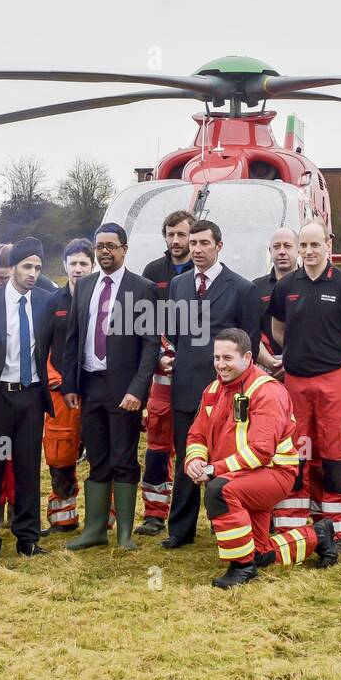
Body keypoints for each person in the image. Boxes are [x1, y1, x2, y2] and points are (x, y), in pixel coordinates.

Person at [185, 329, 338, 588]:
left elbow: (261, 450)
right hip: (239, 475)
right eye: (216, 358)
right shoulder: (212, 389)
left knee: (219, 491)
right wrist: (194, 462)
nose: (220, 365)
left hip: (273, 474)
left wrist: (213, 469)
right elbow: (196, 434)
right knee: (261, 551)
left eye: (227, 358)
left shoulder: (268, 391)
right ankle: (319, 536)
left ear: (247, 357)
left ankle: (242, 568)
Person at [269, 221, 341, 552]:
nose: (309, 252)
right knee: (299, 450)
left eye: (316, 245)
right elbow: (278, 329)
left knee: (336, 451)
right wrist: (299, 352)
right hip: (296, 381)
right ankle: (293, 525)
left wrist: (335, 358)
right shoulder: (287, 286)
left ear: (329, 245)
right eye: (304, 246)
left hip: (332, 380)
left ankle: (339, 529)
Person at [162, 219, 261, 549]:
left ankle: (228, 525)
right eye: (193, 243)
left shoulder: (242, 289)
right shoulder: (178, 286)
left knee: (228, 459)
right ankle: (180, 529)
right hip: (187, 387)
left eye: (204, 243)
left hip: (228, 392)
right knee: (187, 458)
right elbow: (175, 335)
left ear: (219, 246)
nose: (197, 249)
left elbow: (251, 345)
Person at [60, 223, 160, 551]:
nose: (104, 251)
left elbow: (150, 346)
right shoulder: (84, 285)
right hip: (89, 386)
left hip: (124, 391)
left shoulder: (141, 288)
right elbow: (74, 338)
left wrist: (138, 389)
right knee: (97, 458)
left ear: (124, 249)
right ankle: (95, 529)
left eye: (111, 246)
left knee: (124, 458)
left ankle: (125, 534)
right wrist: (70, 384)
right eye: (99, 246)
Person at [0, 237, 56, 559]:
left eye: (37, 267)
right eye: (27, 267)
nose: (32, 273)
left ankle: (28, 538)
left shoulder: (47, 302)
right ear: (13, 268)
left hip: (31, 398)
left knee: (29, 468)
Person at [136, 209, 194, 535]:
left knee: (200, 444)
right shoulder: (152, 271)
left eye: (181, 234)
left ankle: (209, 511)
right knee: (157, 445)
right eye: (170, 234)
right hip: (162, 375)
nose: (175, 240)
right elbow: (142, 322)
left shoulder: (204, 271)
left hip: (196, 374)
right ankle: (154, 513)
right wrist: (160, 353)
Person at [42, 238, 94, 534]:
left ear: (92, 266)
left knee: (101, 456)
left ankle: (103, 519)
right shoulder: (52, 303)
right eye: (72, 263)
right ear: (64, 266)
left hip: (96, 390)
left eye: (83, 264)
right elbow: (43, 347)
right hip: (61, 392)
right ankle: (63, 519)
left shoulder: (104, 299)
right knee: (60, 457)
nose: (77, 269)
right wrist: (53, 382)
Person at [252, 227, 298, 378]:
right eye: (276, 247)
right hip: (265, 369)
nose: (282, 251)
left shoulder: (312, 285)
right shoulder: (255, 288)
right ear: (270, 250)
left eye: (288, 246)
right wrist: (270, 363)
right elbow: (251, 332)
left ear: (298, 249)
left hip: (304, 367)